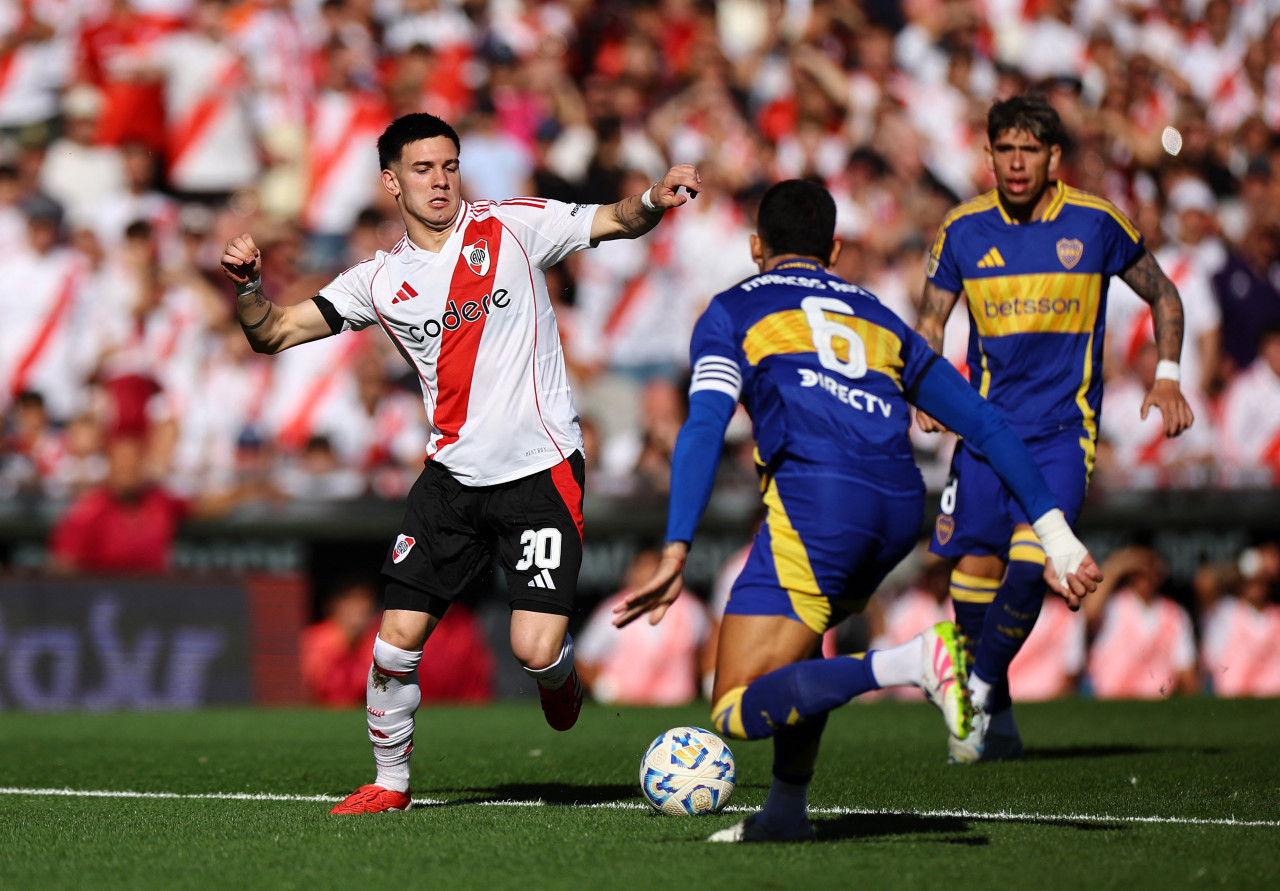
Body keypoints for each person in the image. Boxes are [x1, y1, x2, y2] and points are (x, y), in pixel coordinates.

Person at [220, 112, 701, 815]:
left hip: (540, 468)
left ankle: (558, 675)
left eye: (449, 165)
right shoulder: (378, 281)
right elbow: (276, 332)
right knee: (395, 641)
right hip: (450, 479)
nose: (440, 180)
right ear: (391, 182)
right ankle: (390, 783)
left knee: (534, 648)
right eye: (422, 168)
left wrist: (654, 199)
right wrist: (248, 288)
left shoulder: (510, 225)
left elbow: (613, 220)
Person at [616, 179, 1101, 844]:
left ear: (756, 246)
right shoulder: (878, 314)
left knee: (732, 705)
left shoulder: (730, 310)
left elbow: (703, 425)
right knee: (799, 648)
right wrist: (1057, 534)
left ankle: (908, 663)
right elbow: (985, 423)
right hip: (900, 506)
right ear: (835, 248)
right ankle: (786, 808)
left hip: (819, 501)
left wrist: (676, 546)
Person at [913, 95, 1195, 763]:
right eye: (1004, 149)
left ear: (1053, 158)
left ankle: (976, 692)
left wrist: (1169, 374)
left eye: (1029, 150)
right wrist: (925, 381)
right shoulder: (961, 229)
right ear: (987, 155)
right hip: (983, 431)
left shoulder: (1095, 223)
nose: (1016, 163)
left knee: (1035, 559)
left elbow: (1163, 291)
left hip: (1062, 432)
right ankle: (999, 717)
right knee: (970, 579)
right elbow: (931, 318)